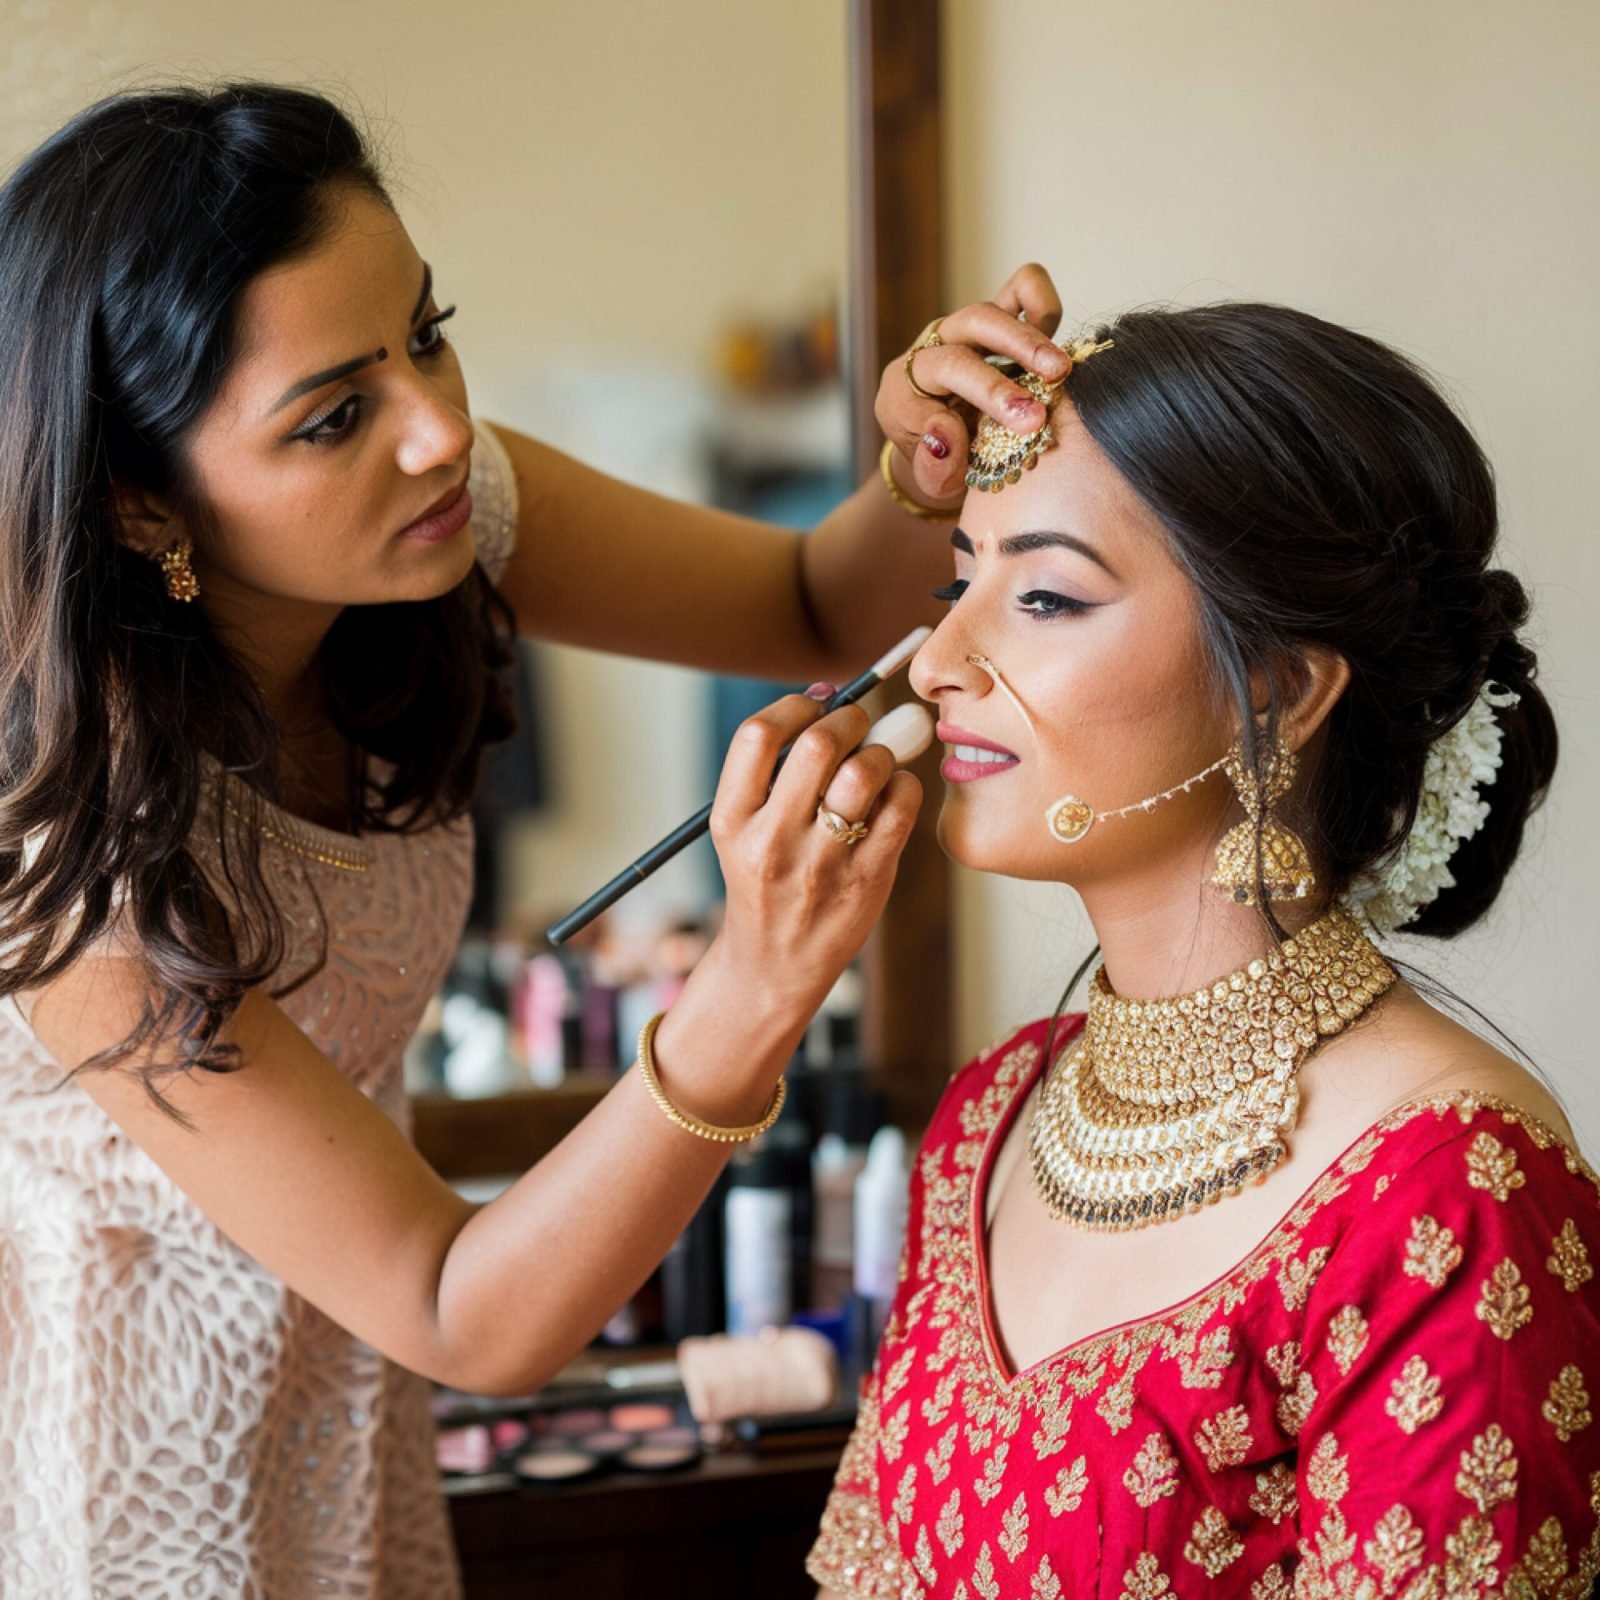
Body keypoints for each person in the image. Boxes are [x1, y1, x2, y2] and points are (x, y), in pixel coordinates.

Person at [0, 81, 1066, 1596]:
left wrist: (922, 461)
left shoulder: (443, 502)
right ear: (136, 505)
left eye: (427, 332)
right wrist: (755, 983)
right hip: (123, 1485)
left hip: (356, 1409)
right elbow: (462, 1307)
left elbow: (815, 607)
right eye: (333, 417)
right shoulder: (73, 863)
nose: (440, 430)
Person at [809, 302, 1599, 1598]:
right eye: (962, 582)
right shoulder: (994, 1116)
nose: (940, 659)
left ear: (1280, 691)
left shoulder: (1452, 1202)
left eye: (1047, 595)